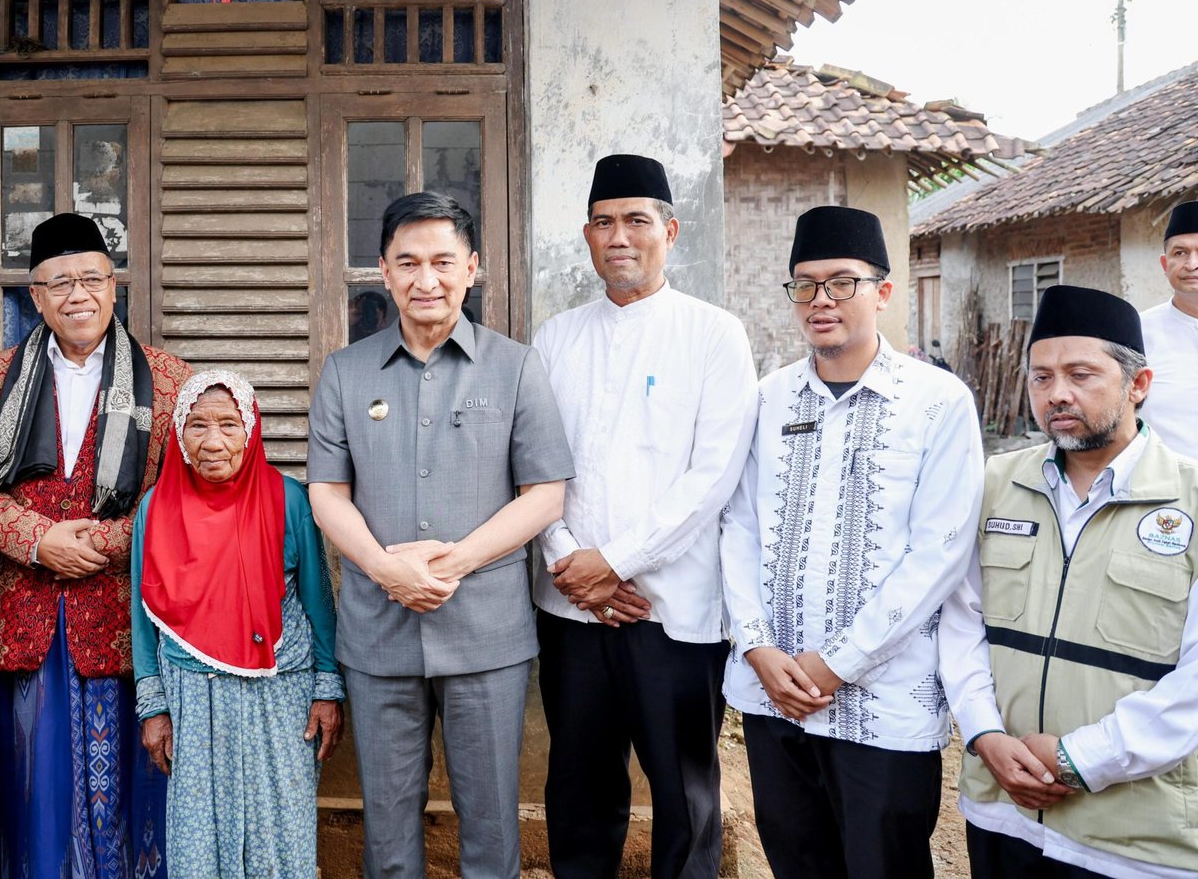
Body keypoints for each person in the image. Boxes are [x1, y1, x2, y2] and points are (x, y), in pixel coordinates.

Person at [308, 190, 574, 878]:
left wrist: (450, 565)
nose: (426, 279)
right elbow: (327, 493)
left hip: (486, 634)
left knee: (490, 825)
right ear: (384, 270)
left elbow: (545, 494)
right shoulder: (345, 372)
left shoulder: (515, 367)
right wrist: (384, 569)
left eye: (442, 261)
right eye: (408, 263)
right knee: (388, 828)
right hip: (378, 631)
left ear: (472, 267)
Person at [720, 205, 985, 879]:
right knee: (797, 861)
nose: (822, 300)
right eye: (805, 285)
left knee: (883, 865)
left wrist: (838, 662)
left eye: (842, 282)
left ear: (883, 291)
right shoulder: (768, 399)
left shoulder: (937, 401)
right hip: (772, 694)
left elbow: (941, 551)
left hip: (883, 702)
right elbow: (739, 525)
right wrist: (757, 646)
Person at [533, 155, 758, 878]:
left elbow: (712, 476)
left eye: (636, 220)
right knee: (578, 792)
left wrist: (614, 563)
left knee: (685, 796)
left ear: (671, 230)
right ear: (587, 236)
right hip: (571, 610)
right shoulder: (555, 338)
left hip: (674, 612)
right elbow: (532, 466)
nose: (619, 236)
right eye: (603, 222)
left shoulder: (714, 334)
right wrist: (571, 565)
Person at [941, 284, 1198, 878]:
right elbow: (960, 620)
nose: (1057, 393)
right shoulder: (996, 482)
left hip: (1134, 838)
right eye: (1041, 377)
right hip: (1002, 811)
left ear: (1139, 384)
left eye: (1081, 375)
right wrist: (984, 734)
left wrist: (1081, 757)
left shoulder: (1188, 498)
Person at [0, 212, 190, 879]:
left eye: (91, 278)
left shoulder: (169, 380)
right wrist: (39, 540)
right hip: (25, 615)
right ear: (35, 297)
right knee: (36, 796)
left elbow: (181, 496)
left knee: (135, 790)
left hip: (129, 618)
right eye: (59, 283)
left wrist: (106, 541)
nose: (78, 295)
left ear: (113, 286)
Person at [132, 370, 345, 877]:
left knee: (281, 838)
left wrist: (327, 687)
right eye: (197, 425)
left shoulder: (288, 499)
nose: (213, 442)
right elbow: (143, 616)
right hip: (193, 697)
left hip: (280, 695)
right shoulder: (155, 508)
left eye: (229, 424)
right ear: (178, 433)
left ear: (250, 430)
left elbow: (318, 601)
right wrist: (152, 705)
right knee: (199, 846)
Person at [1139, 199, 1198, 462]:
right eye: (1180, 253)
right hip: (1165, 482)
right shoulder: (1138, 332)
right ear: (1165, 264)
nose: (1192, 264)